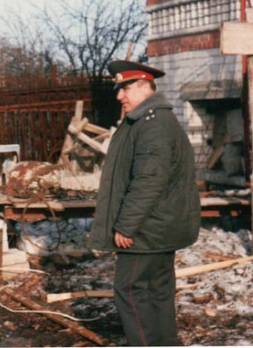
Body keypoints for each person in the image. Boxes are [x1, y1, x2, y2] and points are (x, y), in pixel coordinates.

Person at [89, 60, 201, 346]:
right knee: (158, 289)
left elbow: (148, 180)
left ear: (144, 86)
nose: (119, 96)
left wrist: (126, 225)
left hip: (146, 230)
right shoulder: (153, 120)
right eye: (118, 89)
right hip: (161, 226)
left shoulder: (152, 125)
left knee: (131, 289)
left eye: (125, 88)